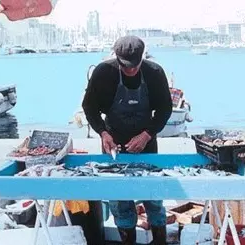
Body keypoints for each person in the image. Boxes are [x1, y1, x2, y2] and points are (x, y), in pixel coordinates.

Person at [82, 35, 172, 245]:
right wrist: (103, 133)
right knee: (119, 200)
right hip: (113, 144)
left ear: (142, 58)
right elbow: (90, 107)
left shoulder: (155, 72)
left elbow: (165, 108)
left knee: (153, 197)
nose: (130, 70)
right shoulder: (103, 72)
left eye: (134, 66)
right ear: (117, 58)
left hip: (147, 144)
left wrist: (147, 134)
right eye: (125, 66)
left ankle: (160, 240)